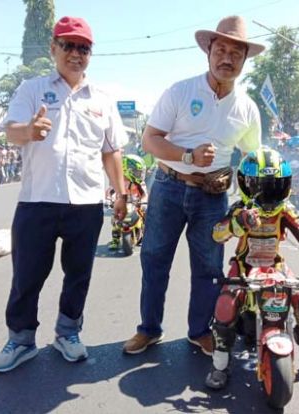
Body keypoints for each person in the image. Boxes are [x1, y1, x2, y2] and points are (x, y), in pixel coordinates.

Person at [0, 16, 128, 373]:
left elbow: (112, 150)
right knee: (27, 275)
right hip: (38, 200)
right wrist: (29, 130)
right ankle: (20, 339)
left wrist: (122, 193)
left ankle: (68, 332)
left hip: (86, 202)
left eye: (84, 48)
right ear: (54, 49)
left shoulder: (102, 99)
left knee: (78, 274)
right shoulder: (31, 89)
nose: (76, 54)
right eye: (68, 45)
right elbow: (11, 133)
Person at [122, 15, 264, 356]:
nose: (227, 58)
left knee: (209, 268)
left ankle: (199, 331)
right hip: (168, 188)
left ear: (244, 61)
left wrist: (254, 201)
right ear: (208, 52)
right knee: (154, 259)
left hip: (213, 199)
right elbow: (150, 140)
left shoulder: (247, 108)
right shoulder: (181, 91)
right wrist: (188, 156)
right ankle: (148, 329)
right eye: (221, 49)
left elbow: (253, 159)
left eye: (236, 53)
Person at [205, 147, 299, 390]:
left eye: (276, 185)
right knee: (225, 306)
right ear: (245, 184)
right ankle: (219, 365)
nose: (269, 192)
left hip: (276, 266)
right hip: (244, 267)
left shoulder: (285, 211)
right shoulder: (239, 210)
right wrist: (239, 222)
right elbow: (217, 234)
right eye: (262, 186)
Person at [108, 154, 148, 250]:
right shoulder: (118, 181)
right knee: (115, 219)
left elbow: (144, 194)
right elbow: (110, 192)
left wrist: (143, 202)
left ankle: (145, 236)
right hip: (122, 204)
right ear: (127, 170)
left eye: (140, 172)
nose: (140, 175)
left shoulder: (139, 183)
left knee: (145, 216)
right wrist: (110, 201)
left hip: (136, 204)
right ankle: (115, 239)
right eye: (137, 172)